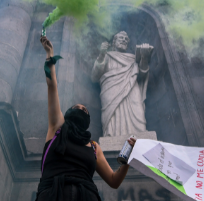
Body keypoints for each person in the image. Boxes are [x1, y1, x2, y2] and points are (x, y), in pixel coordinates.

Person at [37, 36, 136, 201]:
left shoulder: (94, 147)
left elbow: (113, 180)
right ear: (67, 114)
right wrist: (50, 55)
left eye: (85, 110)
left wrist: (126, 161)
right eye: (77, 108)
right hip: (53, 194)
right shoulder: (56, 128)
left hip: (87, 196)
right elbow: (52, 85)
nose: (82, 109)